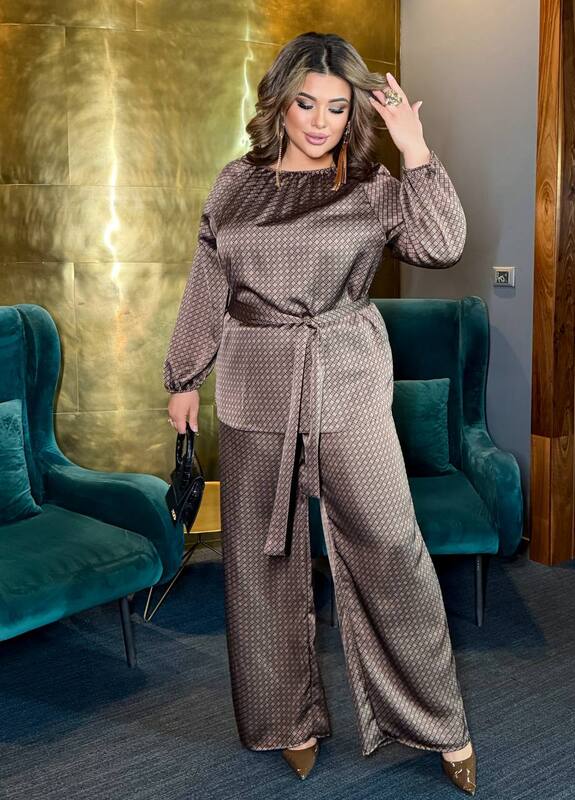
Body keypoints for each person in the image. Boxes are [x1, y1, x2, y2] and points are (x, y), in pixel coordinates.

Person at [164, 31, 476, 795]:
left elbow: (443, 243)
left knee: (391, 547)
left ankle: (439, 722)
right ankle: (286, 721)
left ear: (353, 114)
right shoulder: (235, 184)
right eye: (306, 103)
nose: (319, 121)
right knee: (260, 559)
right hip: (254, 381)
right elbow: (208, 280)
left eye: (337, 108)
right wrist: (184, 376)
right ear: (280, 102)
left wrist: (414, 145)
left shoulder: (371, 184)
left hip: (346, 377)